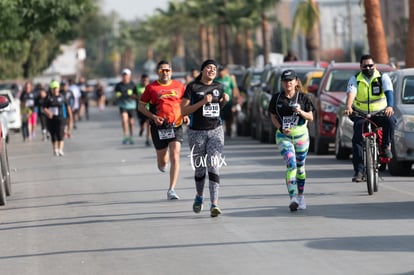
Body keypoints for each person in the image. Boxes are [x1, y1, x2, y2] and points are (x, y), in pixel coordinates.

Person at [181, 59, 229, 217]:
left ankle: (214, 203)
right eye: (208, 67)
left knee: (214, 164)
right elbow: (183, 111)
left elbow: (216, 109)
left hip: (216, 130)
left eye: (214, 68)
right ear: (202, 70)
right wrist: (202, 101)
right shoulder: (192, 87)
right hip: (196, 132)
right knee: (200, 168)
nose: (212, 70)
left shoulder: (219, 87)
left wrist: (225, 102)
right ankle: (199, 196)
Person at [138, 60, 188, 200]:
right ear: (157, 72)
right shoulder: (151, 88)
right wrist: (153, 117)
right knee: (163, 161)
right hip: (158, 127)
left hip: (176, 125)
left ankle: (171, 189)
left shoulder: (179, 86)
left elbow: (185, 103)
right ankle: (161, 162)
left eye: (167, 70)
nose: (165, 72)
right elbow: (141, 106)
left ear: (171, 71)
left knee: (175, 156)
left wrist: (186, 115)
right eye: (162, 70)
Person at [268, 69, 314, 211]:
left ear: (296, 82)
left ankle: (300, 196)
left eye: (290, 80)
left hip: (301, 135)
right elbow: (273, 117)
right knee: (291, 164)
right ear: (282, 83)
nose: (288, 83)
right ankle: (293, 198)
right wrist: (281, 128)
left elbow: (311, 117)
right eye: (285, 81)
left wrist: (300, 111)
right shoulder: (276, 98)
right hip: (284, 136)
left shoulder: (304, 98)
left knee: (300, 167)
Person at [344, 54, 395, 182]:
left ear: (375, 66)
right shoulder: (355, 79)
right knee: (357, 137)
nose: (368, 68)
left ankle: (384, 147)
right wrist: (349, 106)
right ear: (360, 67)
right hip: (361, 114)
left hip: (380, 113)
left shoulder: (383, 77)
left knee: (391, 121)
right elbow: (351, 93)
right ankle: (359, 171)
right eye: (365, 66)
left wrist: (390, 106)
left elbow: (389, 92)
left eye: (370, 65)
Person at [43, 80, 73, 156]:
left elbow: (67, 106)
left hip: (60, 118)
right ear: (51, 89)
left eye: (56, 88)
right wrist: (48, 113)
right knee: (53, 134)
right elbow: (44, 108)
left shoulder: (62, 97)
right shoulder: (48, 98)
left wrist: (70, 116)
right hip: (51, 119)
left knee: (60, 133)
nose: (55, 89)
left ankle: (60, 149)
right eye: (53, 88)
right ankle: (55, 149)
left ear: (58, 88)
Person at [114, 68, 138, 145]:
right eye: (123, 75)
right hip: (122, 104)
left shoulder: (133, 85)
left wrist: (132, 96)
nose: (125, 76)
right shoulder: (118, 85)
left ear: (129, 76)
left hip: (131, 105)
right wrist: (118, 95)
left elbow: (136, 95)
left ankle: (131, 136)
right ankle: (125, 136)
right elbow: (116, 94)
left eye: (126, 75)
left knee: (131, 122)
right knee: (124, 120)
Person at [215, 64, 240, 138]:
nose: (220, 72)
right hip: (218, 102)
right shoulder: (215, 80)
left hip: (228, 102)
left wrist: (235, 100)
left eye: (222, 70)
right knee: (219, 117)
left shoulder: (229, 79)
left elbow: (234, 89)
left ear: (225, 71)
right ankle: (219, 131)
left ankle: (229, 131)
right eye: (219, 71)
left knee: (229, 117)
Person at [136, 74, 151, 146]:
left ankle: (148, 139)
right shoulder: (137, 87)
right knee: (143, 124)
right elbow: (132, 95)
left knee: (149, 124)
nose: (145, 82)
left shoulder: (151, 87)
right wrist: (140, 97)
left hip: (149, 108)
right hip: (141, 108)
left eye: (146, 80)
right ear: (141, 80)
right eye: (143, 80)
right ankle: (141, 129)